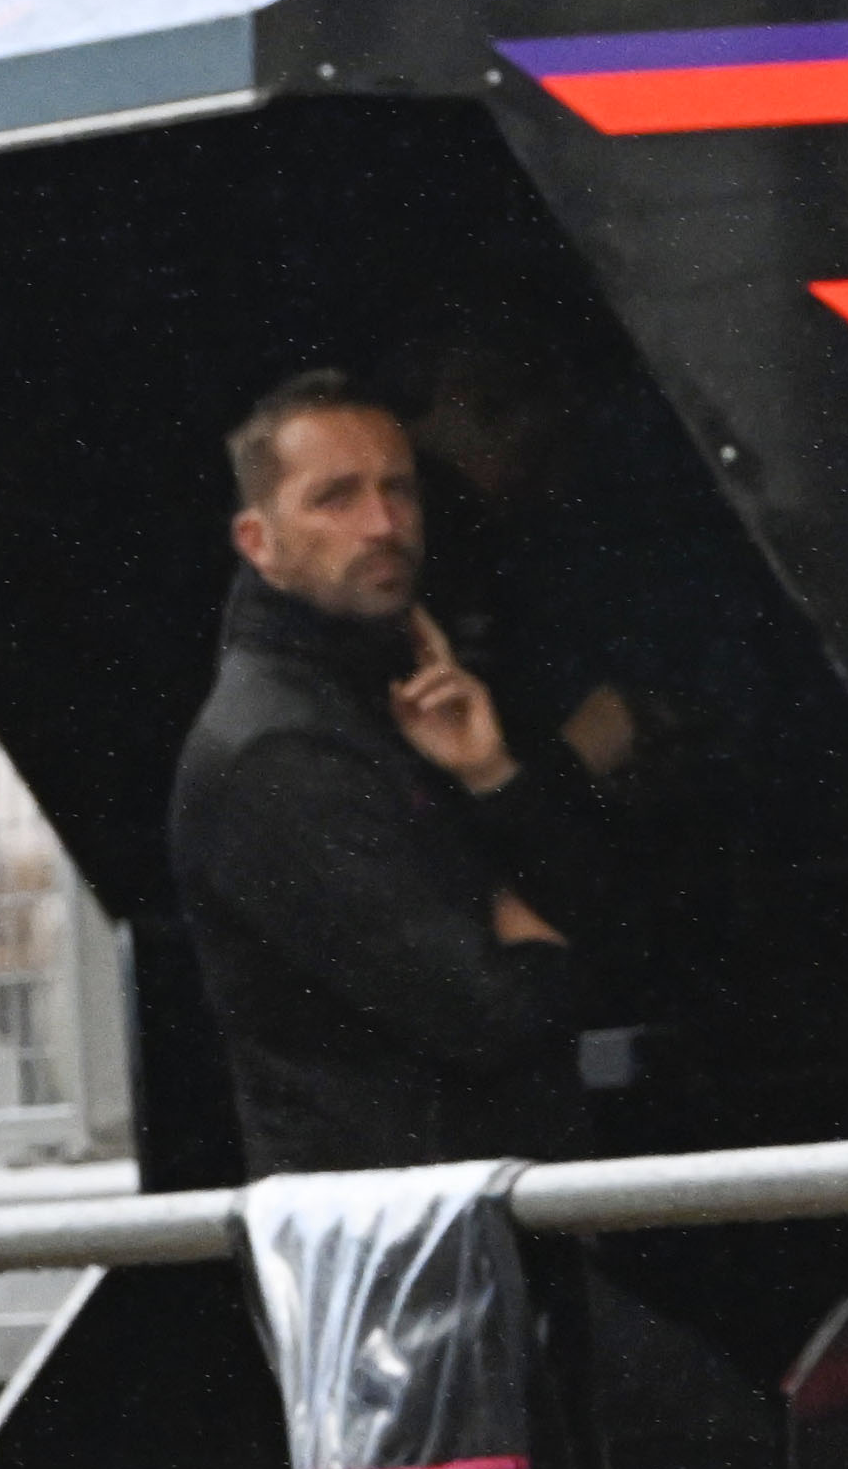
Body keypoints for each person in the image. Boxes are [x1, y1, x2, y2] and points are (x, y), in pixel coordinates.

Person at [168, 369, 616, 1176]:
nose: (381, 524)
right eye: (335, 498)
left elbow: (602, 927)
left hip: (476, 1217)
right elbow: (496, 1014)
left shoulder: (400, 699)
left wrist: (493, 779)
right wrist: (521, 920)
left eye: (399, 491)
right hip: (393, 1243)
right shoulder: (278, 754)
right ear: (257, 542)